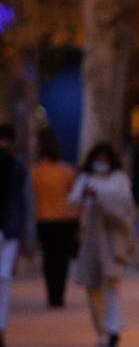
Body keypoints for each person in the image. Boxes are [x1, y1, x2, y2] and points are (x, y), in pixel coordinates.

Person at [69, 143, 139, 347]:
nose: (101, 163)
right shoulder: (85, 178)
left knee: (112, 282)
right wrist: (84, 195)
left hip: (113, 235)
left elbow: (126, 203)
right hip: (91, 236)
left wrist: (103, 199)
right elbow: (73, 200)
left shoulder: (120, 179)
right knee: (93, 285)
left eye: (105, 159)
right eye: (98, 159)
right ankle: (101, 327)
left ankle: (113, 327)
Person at [30, 130, 79, 310]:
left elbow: (31, 197)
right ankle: (59, 293)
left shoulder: (35, 172)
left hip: (43, 220)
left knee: (49, 258)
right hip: (64, 220)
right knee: (62, 259)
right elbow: (74, 198)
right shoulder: (67, 171)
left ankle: (51, 293)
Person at [0, 124, 35, 347]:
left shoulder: (18, 168)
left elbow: (26, 202)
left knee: (4, 278)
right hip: (9, 227)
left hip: (9, 229)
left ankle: (1, 327)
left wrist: (28, 237)